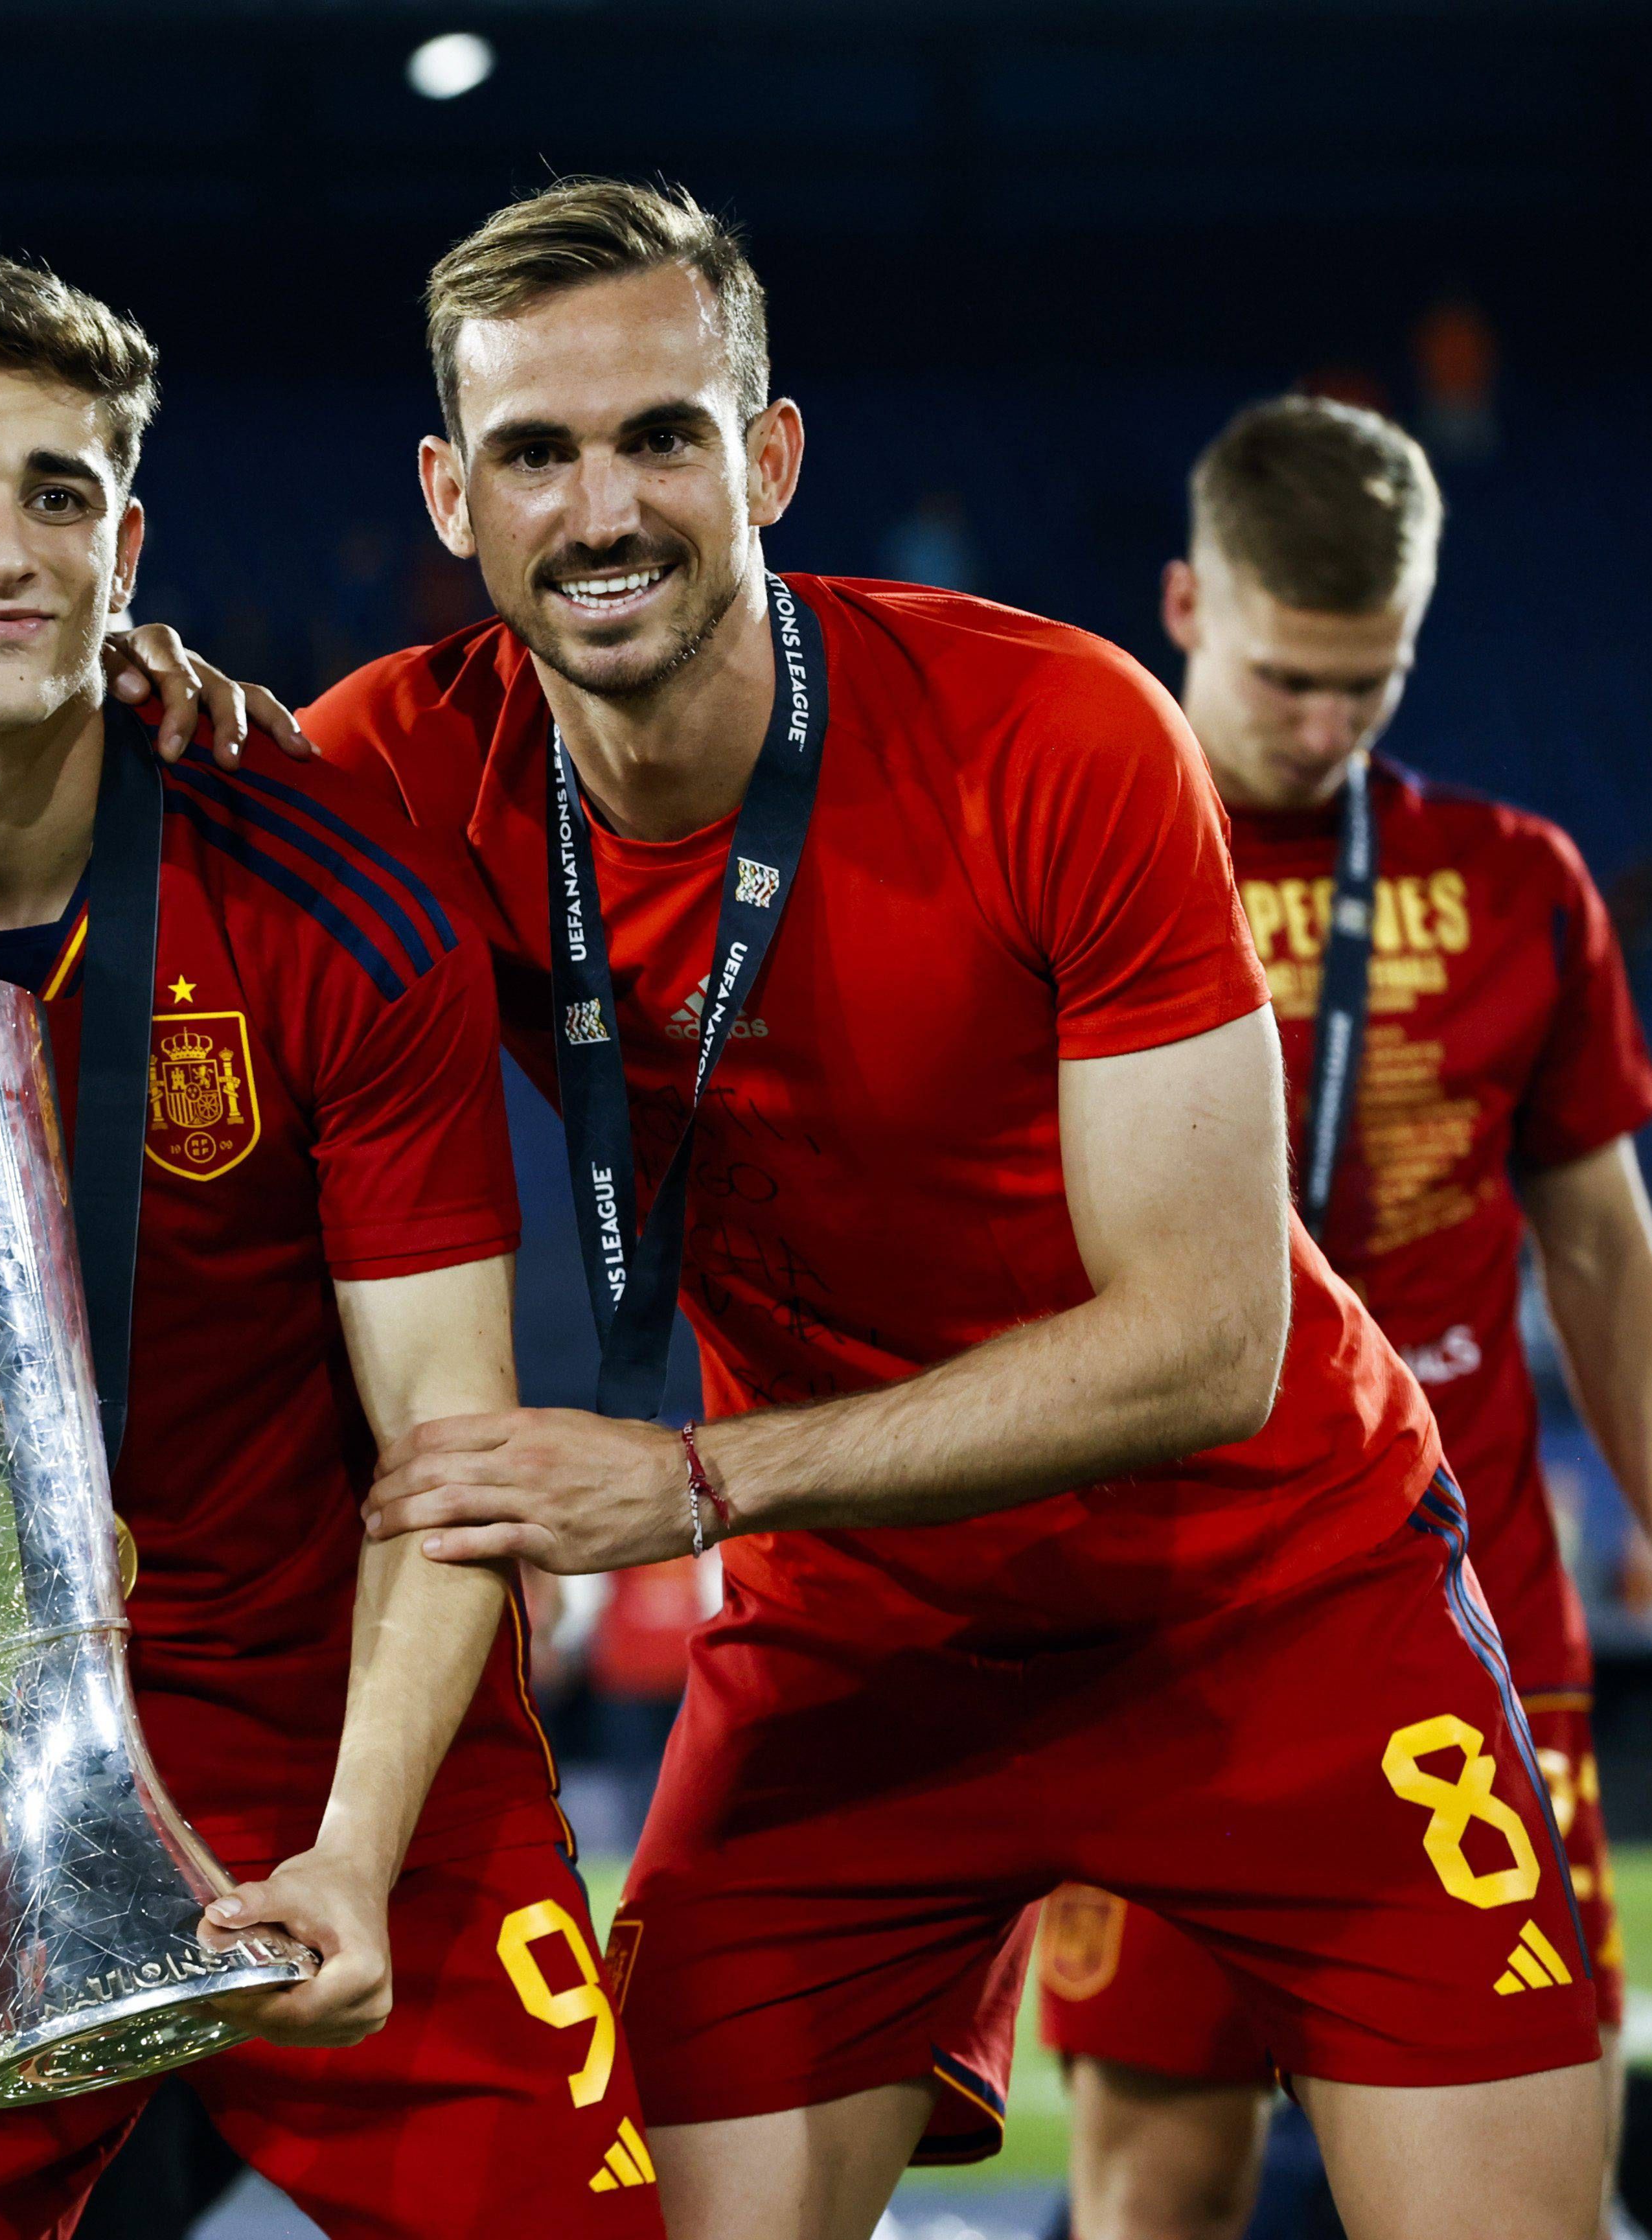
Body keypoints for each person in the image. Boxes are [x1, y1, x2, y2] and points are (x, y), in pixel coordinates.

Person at [305, 178, 1607, 2240]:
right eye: (538, 453)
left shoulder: (1052, 727)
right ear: (452, 494)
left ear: (772, 457)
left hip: (1275, 1596)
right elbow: (79, 974)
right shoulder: (374, 771)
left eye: (664, 434)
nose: (606, 505)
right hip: (857, 1650)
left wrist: (698, 1482)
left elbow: (1203, 1338)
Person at [0, 258, 661, 2239]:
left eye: (58, 494)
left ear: (129, 542)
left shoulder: (334, 892)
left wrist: (351, 1852)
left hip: (359, 1766)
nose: (1, 548)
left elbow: (451, 1443)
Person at [1035, 397, 1652, 2240]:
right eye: (1290, 676)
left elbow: (1605, 1259)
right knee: (1158, 2186)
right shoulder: (1058, 873)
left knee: (1517, 2201)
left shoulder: (1518, 886)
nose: (1326, 728)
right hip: (1162, 1633)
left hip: (1466, 1631)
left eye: (1367, 684)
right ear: (1182, 603)